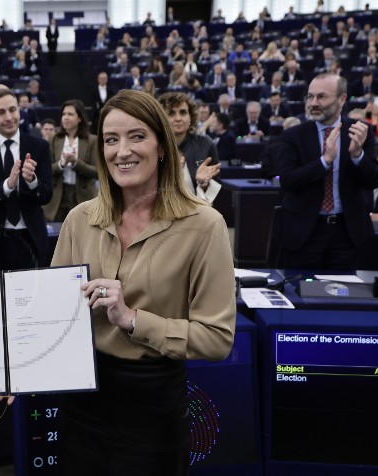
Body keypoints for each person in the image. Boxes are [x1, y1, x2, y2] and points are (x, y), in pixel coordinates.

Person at [51, 89, 236, 475]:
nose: (122, 151)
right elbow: (53, 318)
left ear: (163, 146)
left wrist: (134, 319)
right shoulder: (79, 219)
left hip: (153, 405)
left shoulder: (204, 225)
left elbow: (217, 339)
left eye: (137, 136)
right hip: (82, 399)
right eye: (110, 140)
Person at [278, 73, 378, 269]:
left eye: (321, 97)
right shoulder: (293, 135)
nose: (313, 103)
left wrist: (357, 155)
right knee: (301, 294)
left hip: (347, 233)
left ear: (342, 99)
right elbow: (288, 180)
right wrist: (324, 162)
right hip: (304, 232)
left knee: (343, 294)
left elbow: (373, 180)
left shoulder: (359, 132)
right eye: (310, 96)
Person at [0, 88, 53, 271]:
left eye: (12, 110)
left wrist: (32, 181)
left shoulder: (40, 146)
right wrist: (7, 186)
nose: (8, 117)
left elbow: (46, 195)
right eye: (1, 112)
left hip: (31, 240)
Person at [159, 92, 221, 203]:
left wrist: (203, 184)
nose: (178, 118)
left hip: (198, 211)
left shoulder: (206, 144)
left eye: (183, 112)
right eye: (171, 113)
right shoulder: (154, 146)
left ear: (191, 117)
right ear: (161, 118)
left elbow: (216, 189)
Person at [43, 100, 98, 222]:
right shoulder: (54, 138)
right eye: (64, 114)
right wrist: (61, 164)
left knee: (81, 236)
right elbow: (45, 169)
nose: (65, 118)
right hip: (58, 195)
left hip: (82, 196)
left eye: (70, 114)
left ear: (79, 118)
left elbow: (97, 172)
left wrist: (75, 162)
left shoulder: (92, 140)